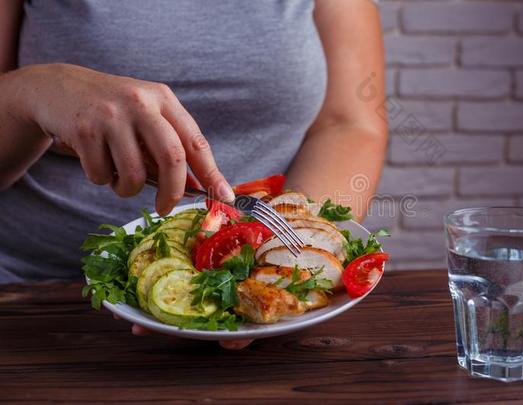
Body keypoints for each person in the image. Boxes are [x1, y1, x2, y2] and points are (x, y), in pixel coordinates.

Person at [0, 0, 387, 349]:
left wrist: (287, 264)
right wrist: (32, 92)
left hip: (263, 321)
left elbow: (348, 124)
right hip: (30, 298)